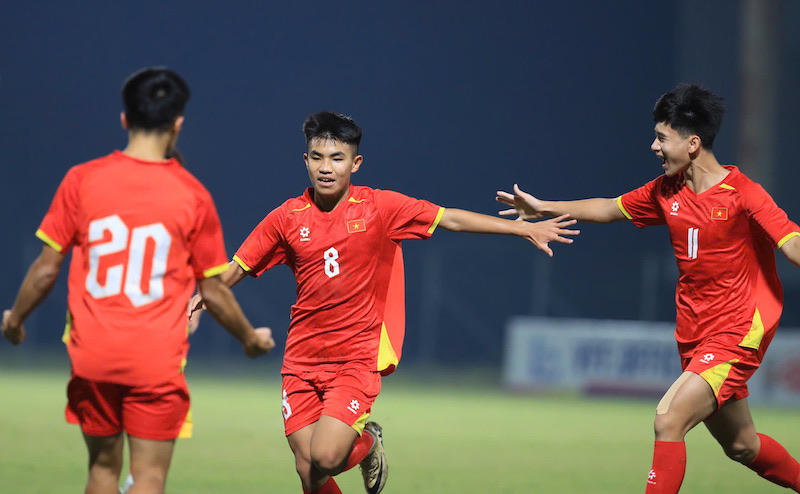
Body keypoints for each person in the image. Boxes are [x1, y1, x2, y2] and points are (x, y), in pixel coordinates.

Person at [189, 111, 578, 494]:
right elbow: (236, 268)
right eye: (318, 157)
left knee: (325, 457)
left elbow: (451, 219)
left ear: (355, 163)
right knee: (308, 472)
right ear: (305, 160)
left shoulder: (379, 208)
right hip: (301, 361)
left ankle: (369, 442)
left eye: (337, 158)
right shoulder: (286, 218)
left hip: (354, 359)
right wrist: (201, 298)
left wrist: (521, 228)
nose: (327, 168)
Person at [496, 83, 800, 493]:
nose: (654, 147)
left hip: (739, 329)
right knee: (742, 445)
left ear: (692, 143)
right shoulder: (665, 192)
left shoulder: (744, 194)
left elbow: (792, 242)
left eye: (661, 138)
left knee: (668, 419)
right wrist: (544, 208)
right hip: (695, 333)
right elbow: (608, 208)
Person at [1, 67, 275, 494]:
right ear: (178, 124)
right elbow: (215, 292)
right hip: (155, 360)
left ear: (124, 118)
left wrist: (15, 320)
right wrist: (249, 339)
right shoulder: (193, 195)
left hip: (93, 355)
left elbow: (45, 270)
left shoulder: (82, 180)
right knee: (147, 478)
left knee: (102, 472)